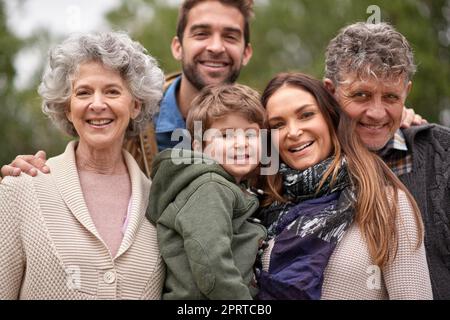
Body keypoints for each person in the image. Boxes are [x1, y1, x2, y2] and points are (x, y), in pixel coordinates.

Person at [0, 31, 165, 299]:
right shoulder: (22, 188)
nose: (97, 104)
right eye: (83, 92)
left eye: (112, 91)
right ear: (68, 108)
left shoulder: (160, 204)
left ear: (135, 105)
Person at [255, 72, 432, 300]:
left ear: (330, 117)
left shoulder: (384, 202)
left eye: (306, 115)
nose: (294, 132)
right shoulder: (264, 207)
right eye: (278, 124)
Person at [323, 22, 450, 299]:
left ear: (407, 92)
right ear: (330, 92)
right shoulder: (303, 162)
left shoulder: (443, 157)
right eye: (361, 95)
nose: (377, 113)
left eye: (391, 97)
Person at [147, 84, 266, 299]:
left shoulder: (227, 186)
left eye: (250, 134)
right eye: (226, 135)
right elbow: (211, 261)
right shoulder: (210, 187)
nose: (241, 144)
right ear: (199, 147)